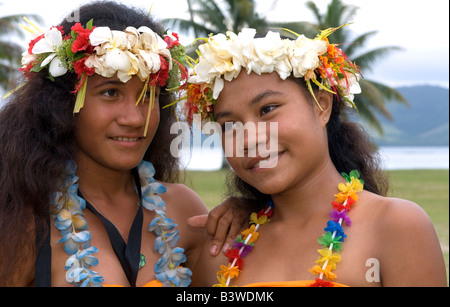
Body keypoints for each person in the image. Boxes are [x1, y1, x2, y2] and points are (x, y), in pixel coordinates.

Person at [0, 1, 246, 287]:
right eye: (111, 92)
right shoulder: (23, 221)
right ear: (62, 103)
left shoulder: (183, 211)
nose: (134, 118)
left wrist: (256, 212)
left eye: (148, 95)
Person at [185, 26, 447, 287]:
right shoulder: (224, 251)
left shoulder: (396, 227)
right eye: (229, 126)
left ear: (322, 105)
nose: (249, 139)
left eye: (268, 109)